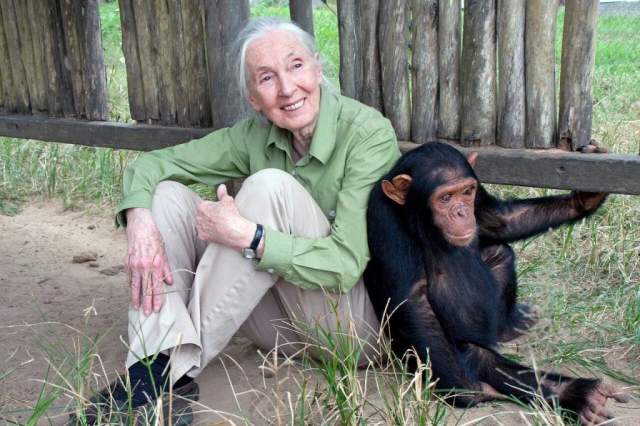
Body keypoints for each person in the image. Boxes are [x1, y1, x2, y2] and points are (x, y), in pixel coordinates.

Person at [77, 17, 400, 424]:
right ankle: (155, 368)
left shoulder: (368, 133)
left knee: (267, 187)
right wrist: (139, 220)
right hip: (281, 331)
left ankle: (160, 373)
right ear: (252, 98)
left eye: (296, 66)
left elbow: (345, 265)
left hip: (352, 330)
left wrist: (251, 236)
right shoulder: (253, 136)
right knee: (165, 197)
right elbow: (155, 165)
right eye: (267, 78)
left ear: (318, 68)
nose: (286, 89)